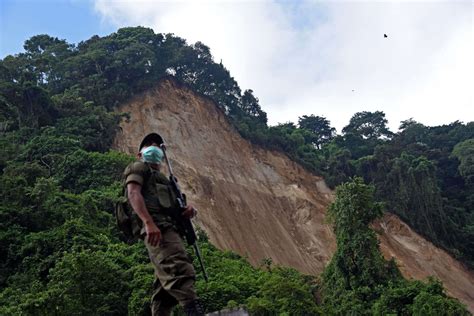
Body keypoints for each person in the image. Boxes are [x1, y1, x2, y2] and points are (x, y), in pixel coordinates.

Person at [123, 132, 205, 316]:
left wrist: (188, 210)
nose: (154, 147)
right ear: (139, 154)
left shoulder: (166, 181)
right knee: (179, 268)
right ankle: (194, 311)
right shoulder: (138, 167)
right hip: (158, 229)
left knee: (163, 290)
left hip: (169, 228)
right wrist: (148, 222)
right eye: (149, 144)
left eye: (157, 145)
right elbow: (133, 194)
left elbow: (175, 210)